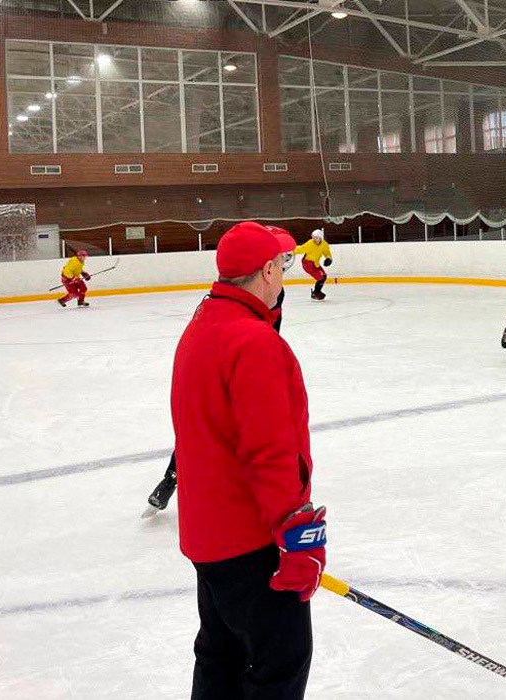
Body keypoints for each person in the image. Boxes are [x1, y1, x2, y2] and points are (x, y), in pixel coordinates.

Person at [171, 220, 326, 700]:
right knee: (281, 659)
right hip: (250, 540)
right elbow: (272, 454)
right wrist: (298, 537)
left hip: (208, 536)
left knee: (221, 655)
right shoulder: (254, 343)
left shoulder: (205, 323)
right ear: (264, 271)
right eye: (281, 265)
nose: (285, 274)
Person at [145, 225, 298, 514]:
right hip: (229, 364)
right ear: (268, 265)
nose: (284, 266)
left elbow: (267, 332)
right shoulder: (246, 296)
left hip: (245, 365)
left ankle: (178, 480)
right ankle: (171, 480)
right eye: (281, 259)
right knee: (209, 429)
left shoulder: (274, 292)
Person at [295, 229, 333, 300]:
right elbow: (300, 249)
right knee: (321, 277)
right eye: (313, 237)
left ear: (320, 238)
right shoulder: (310, 243)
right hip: (307, 263)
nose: (313, 239)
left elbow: (327, 253)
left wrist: (329, 259)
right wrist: (290, 252)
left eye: (315, 237)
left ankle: (316, 292)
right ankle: (316, 293)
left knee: (324, 276)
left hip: (315, 263)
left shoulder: (324, 244)